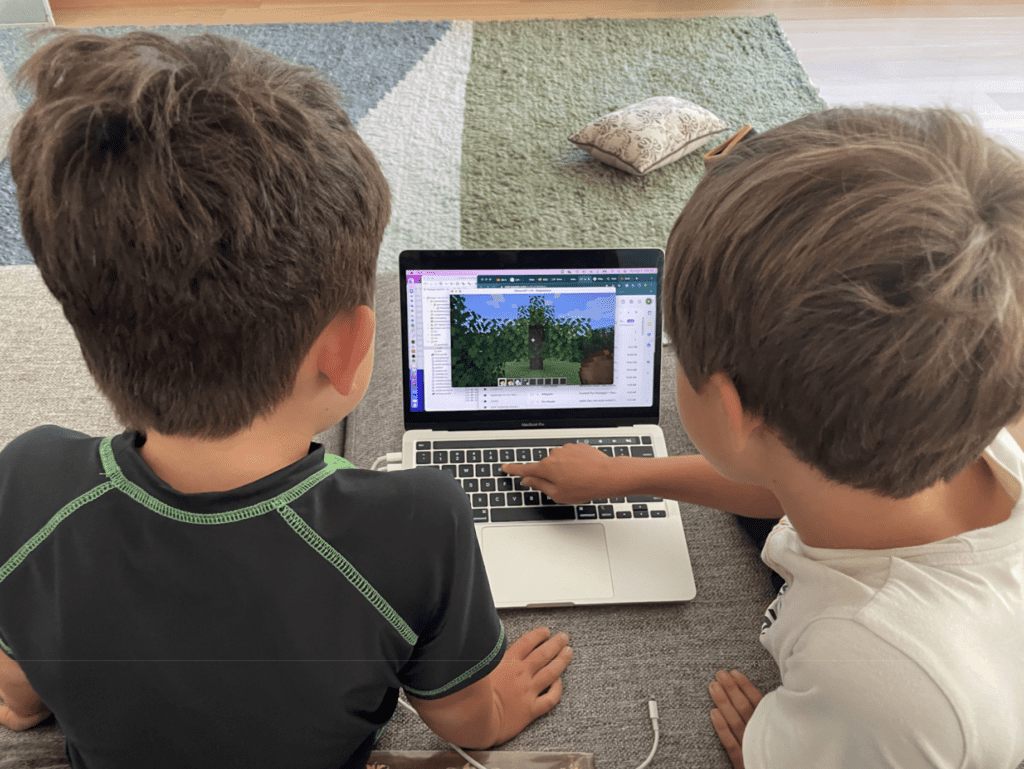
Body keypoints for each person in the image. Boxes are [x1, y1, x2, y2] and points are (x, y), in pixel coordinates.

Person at [0, 30, 572, 769]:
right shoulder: (415, 524)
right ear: (344, 351)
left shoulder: (26, 482)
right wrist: (496, 706)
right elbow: (466, 723)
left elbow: (20, 698)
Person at [505, 107, 1024, 769]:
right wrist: (623, 475)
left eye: (680, 358)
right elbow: (783, 479)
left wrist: (780, 749)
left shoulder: (872, 670)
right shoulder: (964, 406)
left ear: (728, 406)